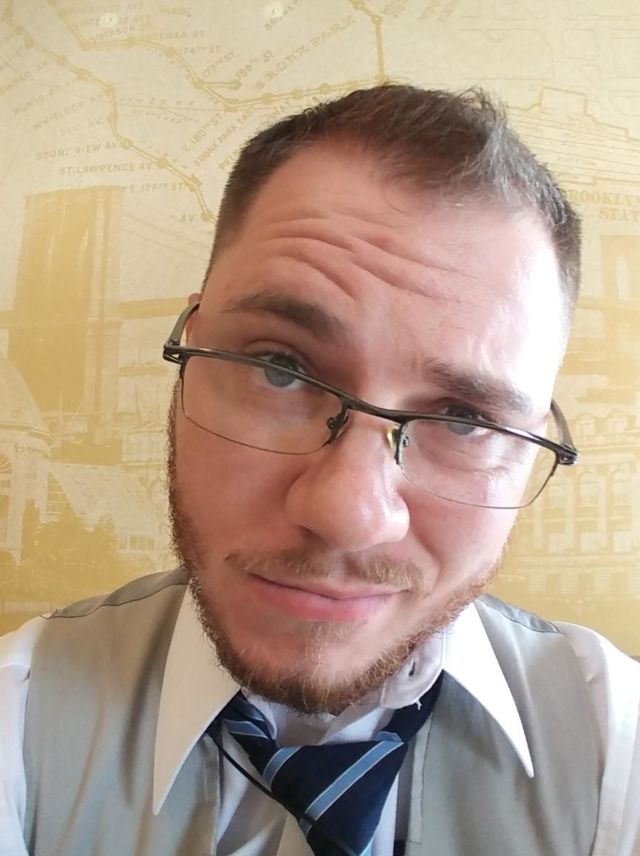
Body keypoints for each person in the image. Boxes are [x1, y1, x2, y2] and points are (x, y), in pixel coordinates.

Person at [1, 84, 639, 856]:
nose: (347, 514)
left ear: (532, 441)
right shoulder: (19, 716)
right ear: (188, 350)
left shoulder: (616, 749)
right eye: (280, 368)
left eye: (463, 419)